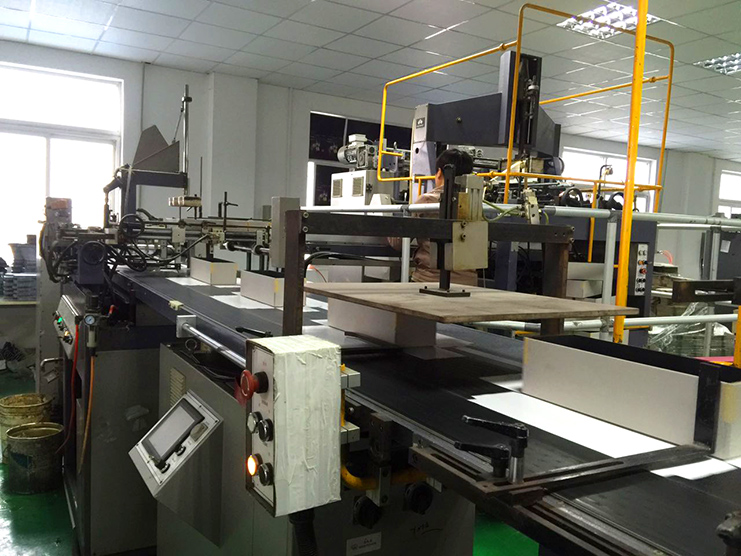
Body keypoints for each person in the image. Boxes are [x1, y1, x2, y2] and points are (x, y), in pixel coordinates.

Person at [389, 148, 478, 286]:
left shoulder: (428, 201)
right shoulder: (476, 203)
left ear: (439, 172)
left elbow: (398, 243)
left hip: (430, 280)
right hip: (469, 283)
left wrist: (384, 218)